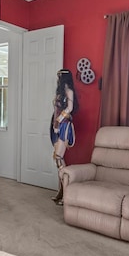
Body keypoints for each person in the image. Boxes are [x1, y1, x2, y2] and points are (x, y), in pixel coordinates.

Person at [50, 69, 79, 205]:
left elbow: (69, 109)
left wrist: (58, 121)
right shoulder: (60, 93)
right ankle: (61, 191)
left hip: (63, 126)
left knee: (59, 158)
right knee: (57, 160)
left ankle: (66, 194)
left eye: (59, 77)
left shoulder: (69, 92)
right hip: (56, 125)